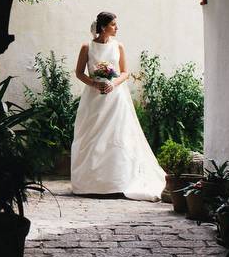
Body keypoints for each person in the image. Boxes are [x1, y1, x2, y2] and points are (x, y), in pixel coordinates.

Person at [70, 12, 166, 201]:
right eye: (113, 24)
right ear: (103, 27)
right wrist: (95, 84)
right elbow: (79, 73)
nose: (117, 27)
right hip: (93, 97)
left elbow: (125, 72)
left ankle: (116, 181)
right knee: (92, 136)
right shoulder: (86, 47)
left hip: (116, 98)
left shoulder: (118, 46)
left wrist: (113, 84)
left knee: (117, 135)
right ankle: (91, 183)